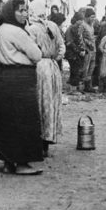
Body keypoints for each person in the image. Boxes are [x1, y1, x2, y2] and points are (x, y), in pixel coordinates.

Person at [0, 0, 44, 175]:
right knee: (24, 120)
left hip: (4, 78)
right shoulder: (17, 32)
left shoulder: (0, 30)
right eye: (20, 11)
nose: (24, 14)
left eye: (25, 11)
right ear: (11, 12)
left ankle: (7, 163)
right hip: (21, 79)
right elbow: (36, 55)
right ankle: (22, 164)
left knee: (7, 121)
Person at [26, 10, 65, 158]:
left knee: (40, 103)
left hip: (39, 67)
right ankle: (47, 143)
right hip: (53, 66)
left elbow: (29, 50)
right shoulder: (53, 26)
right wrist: (56, 57)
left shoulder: (31, 29)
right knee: (51, 104)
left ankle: (38, 143)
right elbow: (62, 46)